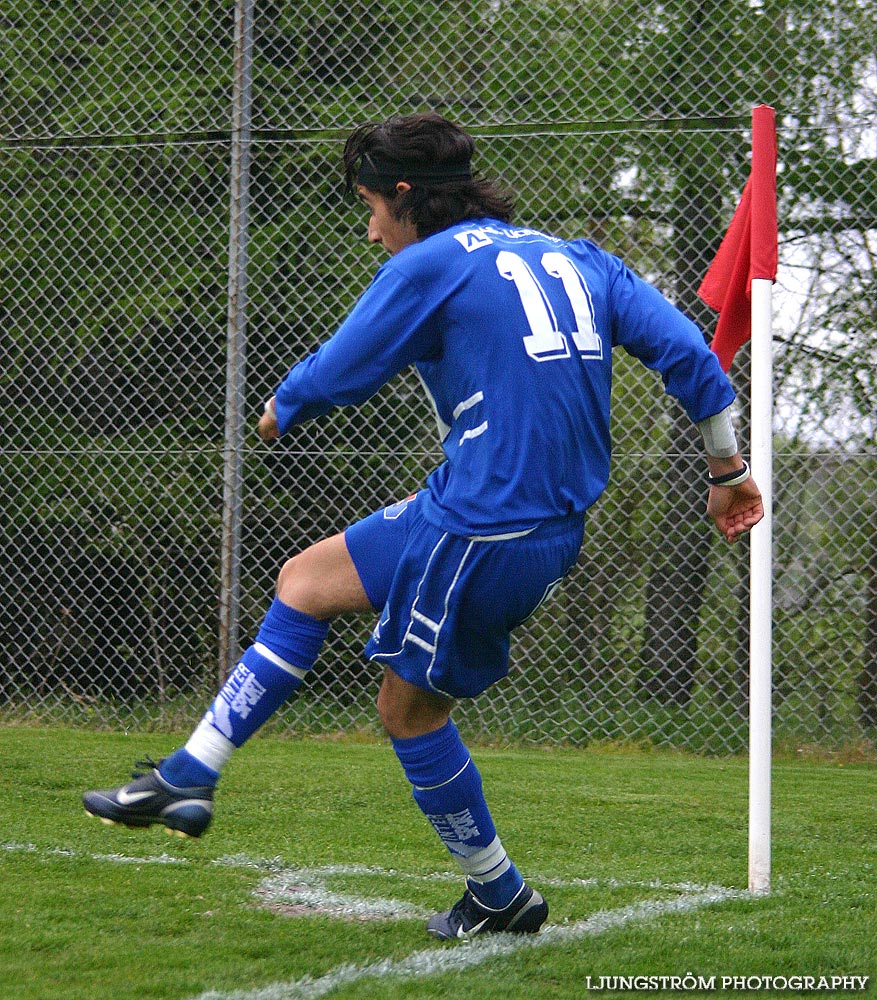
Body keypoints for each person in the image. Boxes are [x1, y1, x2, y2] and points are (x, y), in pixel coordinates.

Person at [83, 112, 764, 940]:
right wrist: (726, 470)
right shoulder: (577, 257)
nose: (370, 229)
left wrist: (282, 406)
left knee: (410, 713)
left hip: (482, 528)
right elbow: (690, 354)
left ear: (404, 195)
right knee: (304, 581)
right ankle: (188, 776)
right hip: (502, 513)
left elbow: (343, 365)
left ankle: (499, 896)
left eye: (370, 206)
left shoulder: (431, 262)